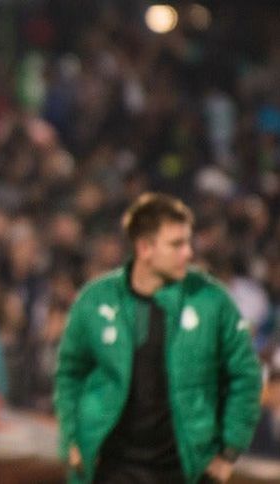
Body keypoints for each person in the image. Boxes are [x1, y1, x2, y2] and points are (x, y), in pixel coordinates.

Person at [54, 193, 262, 483]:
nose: (188, 253)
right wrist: (72, 437)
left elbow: (246, 376)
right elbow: (70, 373)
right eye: (176, 244)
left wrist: (229, 451)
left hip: (183, 471)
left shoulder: (212, 302)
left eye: (188, 242)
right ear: (145, 248)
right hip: (110, 470)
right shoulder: (95, 299)